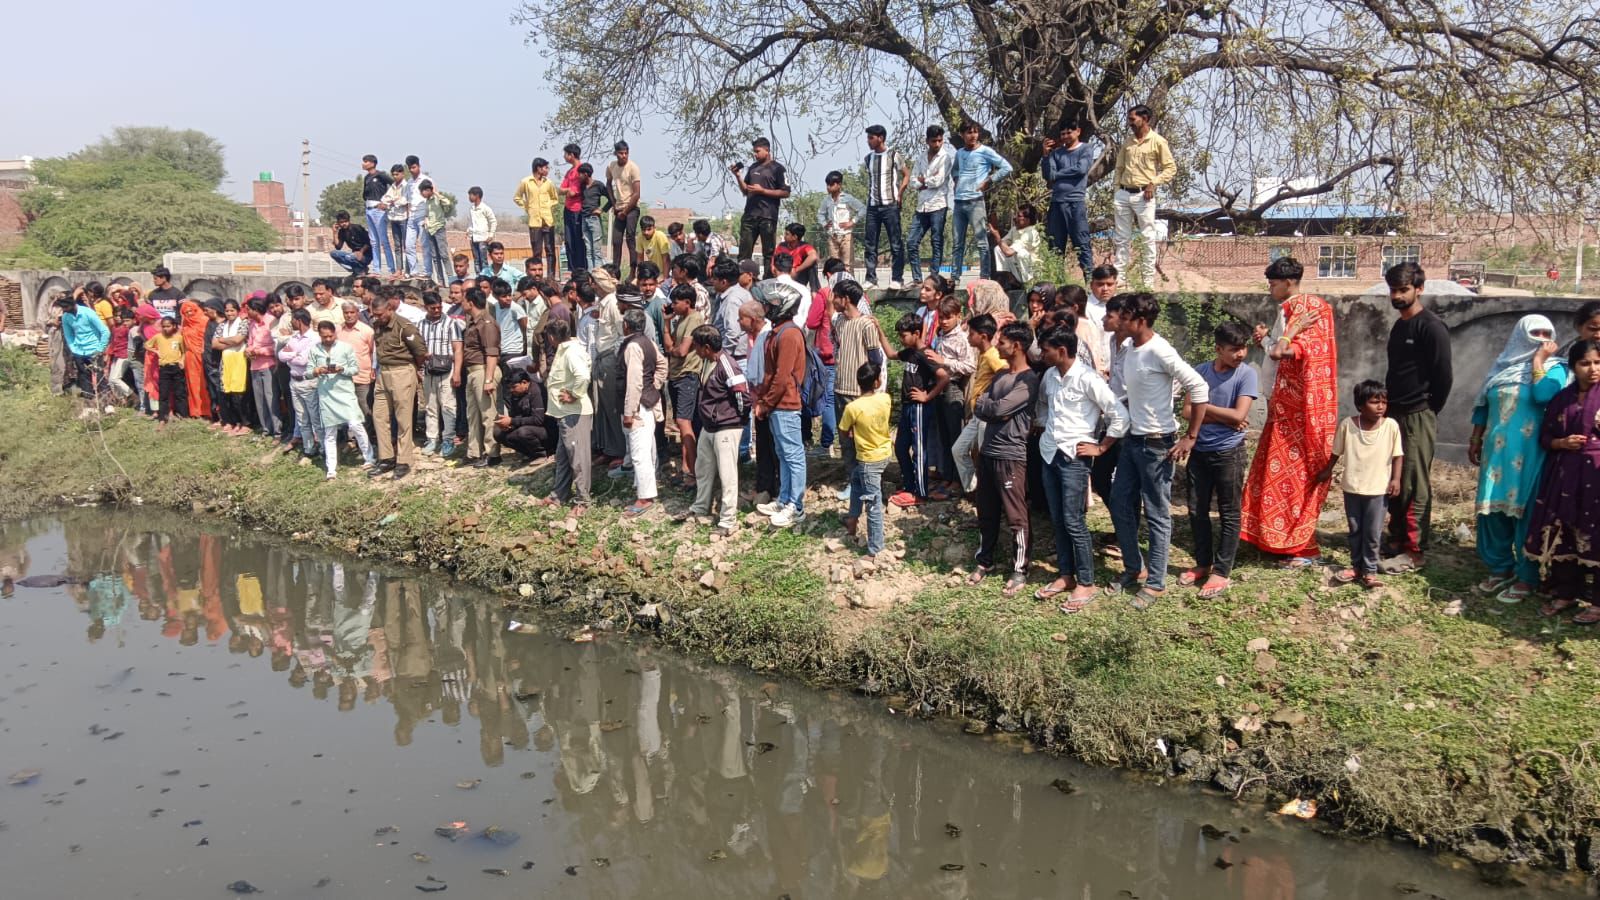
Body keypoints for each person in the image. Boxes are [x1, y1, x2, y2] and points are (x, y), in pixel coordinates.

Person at [1111, 292, 1209, 608]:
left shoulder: (1160, 350)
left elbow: (1199, 387)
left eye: (1125, 318)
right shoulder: (1130, 348)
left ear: (1140, 321)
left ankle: (1156, 583)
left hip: (1157, 444)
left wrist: (1190, 437)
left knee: (1156, 513)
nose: (1120, 322)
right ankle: (1134, 568)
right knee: (1120, 503)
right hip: (1132, 439)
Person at [1240, 257, 1338, 569]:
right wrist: (1268, 338)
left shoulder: (1301, 308)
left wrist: (1286, 333)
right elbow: (1278, 353)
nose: (1270, 289)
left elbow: (1284, 351)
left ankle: (1300, 545)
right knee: (1281, 474)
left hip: (1296, 412)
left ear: (1289, 282)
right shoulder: (1300, 308)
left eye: (1273, 283)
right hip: (1290, 408)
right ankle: (1278, 540)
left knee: (1291, 475)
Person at [1468, 315, 1567, 603]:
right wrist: (1476, 438)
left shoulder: (1555, 369)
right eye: (1533, 332)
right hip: (1496, 453)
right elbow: (1482, 406)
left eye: (1545, 333)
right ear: (1519, 334)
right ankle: (1499, 567)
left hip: (1533, 454)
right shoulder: (1501, 369)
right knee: (1493, 510)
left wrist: (1539, 360)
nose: (1539, 338)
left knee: (1526, 511)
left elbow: (1543, 395)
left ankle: (1527, 576)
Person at [1036, 326, 1127, 610]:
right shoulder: (1050, 377)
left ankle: (1086, 582)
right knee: (1058, 518)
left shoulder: (1088, 379)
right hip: (1050, 453)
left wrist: (1100, 448)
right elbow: (1042, 406)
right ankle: (1066, 575)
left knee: (1074, 520)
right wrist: (1043, 430)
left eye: (1046, 349)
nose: (1042, 354)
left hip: (1075, 458)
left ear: (1061, 351)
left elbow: (1119, 416)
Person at [1180, 322, 1260, 598]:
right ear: (1218, 349)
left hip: (1229, 452)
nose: (1240, 354)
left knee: (1229, 511)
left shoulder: (1246, 375)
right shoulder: (1200, 372)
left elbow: (1240, 416)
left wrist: (1204, 409)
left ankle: (1221, 571)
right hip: (1200, 450)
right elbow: (1187, 412)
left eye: (1243, 348)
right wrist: (1219, 414)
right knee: (1196, 509)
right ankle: (1203, 563)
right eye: (1234, 349)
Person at [1382, 261, 1453, 572]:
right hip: (1393, 413)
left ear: (1419, 289)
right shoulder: (1400, 326)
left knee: (1413, 482)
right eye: (1393, 290)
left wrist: (1427, 408)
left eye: (1403, 290)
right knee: (1393, 479)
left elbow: (1443, 376)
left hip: (1417, 414)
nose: (1397, 295)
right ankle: (1397, 538)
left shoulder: (1431, 327)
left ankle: (1415, 550)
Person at [1525, 340, 1600, 623]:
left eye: (1597, 362)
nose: (1593, 369)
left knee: (1597, 535)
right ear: (1573, 367)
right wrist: (1561, 442)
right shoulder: (1562, 398)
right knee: (1564, 531)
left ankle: (1597, 603)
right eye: (1585, 363)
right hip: (1566, 473)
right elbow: (1545, 437)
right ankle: (1567, 593)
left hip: (1596, 475)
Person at [968, 322, 1039, 595]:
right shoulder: (1001, 376)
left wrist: (993, 409)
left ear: (1017, 346)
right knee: (985, 511)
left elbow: (998, 409)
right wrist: (993, 409)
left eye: (1003, 342)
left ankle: (1020, 569)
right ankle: (984, 560)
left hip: (1010, 456)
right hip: (987, 452)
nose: (998, 346)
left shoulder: (1028, 380)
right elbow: (982, 405)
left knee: (1016, 516)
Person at [1317, 381, 1404, 588]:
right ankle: (1356, 567)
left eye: (1383, 402)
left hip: (1378, 489)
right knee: (1355, 529)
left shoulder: (1390, 426)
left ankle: (1370, 571)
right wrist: (1327, 470)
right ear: (1360, 405)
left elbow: (1397, 455)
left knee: (1373, 532)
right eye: (1375, 402)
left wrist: (1396, 479)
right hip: (1352, 488)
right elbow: (1336, 452)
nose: (1381, 406)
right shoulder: (1348, 425)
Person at [680, 324, 748, 535]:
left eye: (697, 347)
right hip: (710, 427)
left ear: (706, 347)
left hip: (725, 427)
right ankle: (700, 507)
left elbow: (742, 396)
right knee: (704, 468)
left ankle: (727, 521)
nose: (695, 352)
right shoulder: (707, 363)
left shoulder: (727, 365)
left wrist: (736, 419)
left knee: (727, 475)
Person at [753, 283, 808, 526]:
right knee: (783, 454)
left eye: (769, 305)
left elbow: (782, 377)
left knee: (793, 455)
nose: (764, 309)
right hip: (777, 405)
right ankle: (785, 498)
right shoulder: (779, 332)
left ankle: (796, 506)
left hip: (786, 405)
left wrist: (766, 403)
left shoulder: (789, 335)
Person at [1111, 104, 1176, 287]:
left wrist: (1153, 183)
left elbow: (1170, 168)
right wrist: (1117, 191)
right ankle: (1120, 280)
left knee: (1147, 238)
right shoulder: (1128, 142)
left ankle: (1147, 283)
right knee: (1121, 238)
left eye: (1133, 119)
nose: (1129, 123)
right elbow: (1119, 168)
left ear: (1144, 119)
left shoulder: (1158, 141)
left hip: (1144, 195)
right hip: (1124, 193)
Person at [890, 313, 950, 508]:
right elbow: (891, 354)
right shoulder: (909, 352)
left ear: (916, 333)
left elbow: (944, 377)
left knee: (919, 450)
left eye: (903, 335)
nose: (901, 339)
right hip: (908, 405)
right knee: (900, 447)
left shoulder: (925, 354)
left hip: (919, 407)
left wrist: (927, 396)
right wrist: (878, 332)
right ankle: (910, 486)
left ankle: (921, 492)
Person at [829, 361, 888, 557]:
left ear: (858, 383)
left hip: (868, 459)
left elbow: (843, 431)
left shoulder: (853, 408)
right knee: (856, 480)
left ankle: (875, 548)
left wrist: (854, 431)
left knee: (873, 503)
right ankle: (852, 521)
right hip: (884, 453)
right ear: (877, 381)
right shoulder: (885, 399)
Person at [369, 294, 427, 480]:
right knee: (379, 416)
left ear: (389, 309)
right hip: (383, 374)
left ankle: (404, 460)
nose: (378, 318)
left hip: (402, 371)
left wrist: (413, 370)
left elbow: (420, 351)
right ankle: (386, 458)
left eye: (380, 314)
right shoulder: (377, 326)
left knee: (403, 418)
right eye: (375, 314)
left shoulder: (404, 326)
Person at [308, 321, 375, 480]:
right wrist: (317, 371)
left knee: (355, 425)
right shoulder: (314, 350)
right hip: (326, 395)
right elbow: (307, 373)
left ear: (335, 334)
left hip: (345, 392)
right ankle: (331, 469)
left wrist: (341, 369)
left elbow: (355, 369)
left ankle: (369, 457)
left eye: (331, 335)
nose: (328, 339)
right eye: (325, 336)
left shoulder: (345, 348)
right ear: (320, 335)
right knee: (330, 432)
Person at [619, 309, 667, 517]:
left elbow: (634, 381)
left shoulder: (632, 346)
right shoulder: (648, 342)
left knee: (640, 453)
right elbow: (663, 364)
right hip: (649, 400)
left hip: (638, 405)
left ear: (626, 326)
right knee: (648, 448)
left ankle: (645, 497)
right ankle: (645, 485)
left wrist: (629, 412)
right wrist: (654, 385)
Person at [951, 121, 1013, 280]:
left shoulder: (985, 151)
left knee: (982, 242)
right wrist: (957, 182)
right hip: (959, 202)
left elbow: (1006, 167)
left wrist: (989, 180)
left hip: (975, 201)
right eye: (968, 133)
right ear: (962, 135)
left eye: (975, 132)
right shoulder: (959, 153)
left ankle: (984, 276)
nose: (972, 136)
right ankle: (955, 276)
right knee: (957, 243)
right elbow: (956, 170)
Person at [543, 318, 593, 510]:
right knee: (563, 457)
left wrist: (573, 394)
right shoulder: (565, 350)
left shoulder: (571, 352)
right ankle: (559, 495)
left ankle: (583, 500)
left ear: (552, 337)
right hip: (563, 413)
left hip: (574, 413)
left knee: (578, 458)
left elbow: (582, 376)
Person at [950, 313, 1002, 494]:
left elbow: (1006, 374)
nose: (968, 337)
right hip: (977, 415)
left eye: (971, 333)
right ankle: (974, 489)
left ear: (983, 336)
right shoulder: (983, 354)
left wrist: (991, 396)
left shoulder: (993, 356)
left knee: (984, 456)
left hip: (986, 416)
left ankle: (990, 494)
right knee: (958, 450)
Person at [1041, 122, 1097, 279]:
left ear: (1078, 131)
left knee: (1081, 242)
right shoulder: (1056, 153)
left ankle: (1090, 281)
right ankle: (1057, 283)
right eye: (1063, 134)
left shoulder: (1086, 149)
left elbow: (1081, 169)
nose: (1065, 136)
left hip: (1075, 203)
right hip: (1056, 203)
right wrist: (1045, 155)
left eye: (1069, 133)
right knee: (1055, 245)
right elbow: (1048, 175)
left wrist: (1058, 174)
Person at [664, 283, 707, 488]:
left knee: (683, 422)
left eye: (676, 302)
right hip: (675, 376)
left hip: (688, 376)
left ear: (687, 302)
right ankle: (686, 469)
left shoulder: (694, 319)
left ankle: (691, 471)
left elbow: (681, 351)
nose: (673, 305)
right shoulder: (680, 321)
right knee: (682, 422)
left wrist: (673, 349)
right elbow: (669, 345)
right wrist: (666, 323)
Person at [861, 125, 909, 289]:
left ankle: (897, 278)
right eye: (868, 138)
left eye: (871, 138)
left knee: (895, 243)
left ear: (880, 138)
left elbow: (906, 175)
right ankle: (871, 277)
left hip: (890, 205)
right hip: (873, 206)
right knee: (870, 243)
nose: (868, 141)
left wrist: (900, 194)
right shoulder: (868, 159)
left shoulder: (894, 155)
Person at [733, 138, 790, 272]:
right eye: (754, 151)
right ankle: (743, 278)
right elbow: (746, 191)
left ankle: (768, 278)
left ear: (767, 150)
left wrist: (763, 191)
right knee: (744, 252)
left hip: (767, 216)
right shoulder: (753, 168)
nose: (755, 154)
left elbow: (786, 192)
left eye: (757, 151)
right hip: (750, 215)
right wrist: (738, 177)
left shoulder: (778, 169)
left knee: (768, 253)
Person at [459, 288, 502, 467]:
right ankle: (474, 452)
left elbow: (492, 353)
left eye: (464, 300)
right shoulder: (473, 322)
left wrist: (488, 379)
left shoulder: (486, 323)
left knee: (488, 414)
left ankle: (492, 453)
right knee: (473, 415)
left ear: (470, 302)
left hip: (484, 370)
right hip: (473, 372)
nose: (462, 303)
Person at [418, 291, 464, 457]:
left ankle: (448, 439)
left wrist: (457, 372)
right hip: (429, 371)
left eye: (438, 307)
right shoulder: (420, 325)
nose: (436, 311)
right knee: (430, 406)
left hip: (447, 370)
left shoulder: (451, 324)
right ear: (426, 307)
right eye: (433, 308)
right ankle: (431, 439)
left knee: (448, 405)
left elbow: (458, 349)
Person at [908, 124, 955, 283]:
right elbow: (912, 182)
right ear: (927, 141)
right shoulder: (921, 157)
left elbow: (939, 180)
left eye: (940, 141)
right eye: (934, 141)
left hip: (938, 205)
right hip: (922, 206)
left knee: (936, 241)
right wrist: (923, 181)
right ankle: (917, 278)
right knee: (911, 242)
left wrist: (923, 181)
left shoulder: (945, 157)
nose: (937, 144)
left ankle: (934, 277)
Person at [277, 309, 320, 459]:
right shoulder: (294, 337)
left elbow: (304, 360)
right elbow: (281, 355)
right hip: (294, 381)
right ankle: (308, 449)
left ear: (299, 321)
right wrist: (294, 354)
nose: (291, 323)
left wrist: (291, 355)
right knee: (302, 417)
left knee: (314, 417)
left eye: (293, 320)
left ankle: (322, 448)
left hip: (308, 382)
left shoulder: (314, 338)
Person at [493, 369, 555, 460]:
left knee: (523, 432)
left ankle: (541, 454)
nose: (511, 390)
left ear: (524, 382)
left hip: (547, 430)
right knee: (498, 433)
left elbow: (538, 420)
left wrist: (512, 421)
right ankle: (530, 453)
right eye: (510, 388)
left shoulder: (536, 391)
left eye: (514, 387)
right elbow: (516, 415)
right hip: (529, 426)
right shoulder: (516, 394)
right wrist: (509, 425)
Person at [58, 295, 110, 399]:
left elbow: (105, 331)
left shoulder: (88, 313)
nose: (64, 310)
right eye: (62, 307)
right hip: (79, 351)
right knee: (83, 377)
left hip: (94, 349)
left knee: (99, 377)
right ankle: (89, 403)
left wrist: (99, 349)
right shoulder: (66, 317)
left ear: (72, 304)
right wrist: (74, 349)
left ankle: (106, 403)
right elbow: (69, 335)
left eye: (66, 307)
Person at [515, 158, 561, 276]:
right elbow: (517, 197)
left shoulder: (548, 183)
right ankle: (537, 275)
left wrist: (547, 206)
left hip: (547, 220)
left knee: (550, 250)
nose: (547, 170)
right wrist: (528, 207)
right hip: (534, 221)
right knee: (537, 251)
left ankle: (551, 276)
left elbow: (555, 198)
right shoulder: (526, 182)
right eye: (545, 168)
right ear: (538, 168)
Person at [334, 301, 375, 430]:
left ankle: (367, 438)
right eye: (346, 313)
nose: (349, 315)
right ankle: (351, 439)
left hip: (362, 376)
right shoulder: (338, 330)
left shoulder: (367, 331)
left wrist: (373, 370)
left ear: (357, 313)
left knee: (364, 408)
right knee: (346, 408)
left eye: (352, 312)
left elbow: (373, 352)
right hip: (343, 377)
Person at [213, 299, 251, 435]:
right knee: (227, 393)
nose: (229, 313)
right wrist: (231, 341)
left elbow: (239, 339)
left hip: (240, 359)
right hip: (226, 361)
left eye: (232, 310)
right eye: (227, 311)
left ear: (237, 311)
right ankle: (234, 422)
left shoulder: (244, 323)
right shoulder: (222, 326)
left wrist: (224, 340)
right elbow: (214, 344)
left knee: (240, 393)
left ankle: (245, 423)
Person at [817, 171, 866, 274]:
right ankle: (836, 287)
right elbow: (820, 214)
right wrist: (824, 224)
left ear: (839, 185)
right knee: (834, 265)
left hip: (846, 235)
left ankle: (849, 288)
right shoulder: (826, 200)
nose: (828, 187)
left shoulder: (847, 198)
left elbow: (862, 209)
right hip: (832, 235)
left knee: (848, 265)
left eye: (831, 184)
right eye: (827, 185)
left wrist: (852, 222)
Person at [606, 141, 642, 273]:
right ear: (616, 153)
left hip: (631, 207)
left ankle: (633, 271)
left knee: (630, 238)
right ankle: (616, 271)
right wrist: (613, 202)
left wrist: (625, 212)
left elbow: (637, 194)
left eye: (626, 153)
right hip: (619, 208)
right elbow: (608, 184)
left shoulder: (633, 168)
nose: (624, 155)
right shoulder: (611, 166)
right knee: (616, 240)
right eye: (621, 153)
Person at [988, 203, 1042, 285]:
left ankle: (1028, 282)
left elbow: (1009, 252)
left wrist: (997, 237)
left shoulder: (1031, 233)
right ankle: (1011, 279)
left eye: (1019, 216)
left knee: (1021, 253)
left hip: (1031, 270)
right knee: (998, 248)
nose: (1015, 218)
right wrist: (997, 233)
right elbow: (1003, 245)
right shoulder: (1014, 230)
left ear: (1027, 220)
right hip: (1018, 268)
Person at [177, 297, 212, 419]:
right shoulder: (185, 325)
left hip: (204, 356)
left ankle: (209, 411)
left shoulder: (205, 321)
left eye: (191, 310)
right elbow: (183, 343)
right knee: (193, 384)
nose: (189, 313)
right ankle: (196, 411)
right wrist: (182, 358)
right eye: (186, 312)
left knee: (205, 384)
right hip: (190, 357)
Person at [361, 154, 394, 275]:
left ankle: (391, 269)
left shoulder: (381, 175)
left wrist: (387, 202)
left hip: (379, 210)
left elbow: (394, 185)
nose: (363, 164)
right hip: (369, 209)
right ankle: (376, 269)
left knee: (384, 241)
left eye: (366, 162)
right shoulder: (366, 178)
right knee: (374, 241)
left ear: (373, 163)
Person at [150, 315, 185, 427]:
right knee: (164, 394)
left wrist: (182, 360)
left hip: (176, 367)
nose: (166, 329)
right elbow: (147, 345)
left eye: (168, 326)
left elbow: (184, 351)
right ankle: (162, 418)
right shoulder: (158, 337)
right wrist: (155, 351)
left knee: (179, 393)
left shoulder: (179, 337)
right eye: (163, 326)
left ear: (174, 326)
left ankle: (182, 416)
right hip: (164, 368)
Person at [577, 163, 612, 273]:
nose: (579, 176)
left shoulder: (598, 185)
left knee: (596, 251)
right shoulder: (582, 186)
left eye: (580, 174)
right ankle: (591, 274)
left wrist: (601, 210)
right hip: (584, 219)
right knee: (588, 250)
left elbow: (611, 199)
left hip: (594, 219)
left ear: (586, 174)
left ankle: (597, 274)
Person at [418, 180, 454, 285]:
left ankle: (451, 280)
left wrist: (436, 193)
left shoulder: (437, 199)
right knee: (435, 256)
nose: (422, 194)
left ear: (428, 190)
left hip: (439, 229)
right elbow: (427, 215)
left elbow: (448, 203)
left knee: (444, 255)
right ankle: (440, 281)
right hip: (430, 230)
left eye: (423, 191)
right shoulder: (427, 202)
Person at [403, 156, 433, 277]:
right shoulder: (409, 182)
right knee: (409, 246)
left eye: (414, 167)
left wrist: (428, 216)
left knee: (425, 246)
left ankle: (427, 272)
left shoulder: (426, 180)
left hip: (422, 216)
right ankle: (414, 271)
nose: (412, 170)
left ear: (419, 166)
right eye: (410, 168)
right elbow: (407, 201)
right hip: (412, 217)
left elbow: (433, 197)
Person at [381, 165, 411, 276]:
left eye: (397, 174)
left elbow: (405, 200)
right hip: (394, 218)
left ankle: (408, 270)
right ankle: (399, 269)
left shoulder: (406, 186)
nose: (395, 176)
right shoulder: (393, 186)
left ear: (402, 174)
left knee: (407, 245)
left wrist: (393, 202)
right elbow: (385, 199)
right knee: (397, 246)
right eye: (393, 174)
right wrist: (393, 201)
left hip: (404, 217)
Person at [774, 223, 820, 291]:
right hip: (783, 274)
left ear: (795, 237)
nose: (784, 236)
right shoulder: (781, 246)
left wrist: (796, 270)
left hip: (798, 275)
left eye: (787, 234)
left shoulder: (804, 246)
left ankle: (814, 291)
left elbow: (814, 256)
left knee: (812, 264)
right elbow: (774, 262)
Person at [330, 211, 372, 276]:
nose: (344, 224)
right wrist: (335, 232)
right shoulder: (342, 231)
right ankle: (359, 269)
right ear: (338, 223)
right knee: (334, 253)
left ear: (349, 221)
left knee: (350, 257)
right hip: (353, 255)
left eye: (345, 221)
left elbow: (368, 242)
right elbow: (338, 247)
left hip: (366, 255)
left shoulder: (357, 228)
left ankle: (359, 269)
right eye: (341, 222)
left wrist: (361, 252)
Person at [466, 187, 498, 271]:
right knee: (476, 261)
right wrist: (469, 234)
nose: (469, 197)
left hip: (483, 238)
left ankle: (485, 279)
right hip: (474, 238)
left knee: (483, 260)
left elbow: (493, 221)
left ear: (477, 196)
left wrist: (491, 235)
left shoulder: (485, 208)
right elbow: (470, 223)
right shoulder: (471, 209)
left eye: (471, 195)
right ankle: (478, 280)